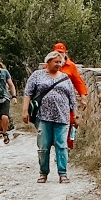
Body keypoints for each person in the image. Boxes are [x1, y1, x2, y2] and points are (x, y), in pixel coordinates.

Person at [25, 51, 79, 184]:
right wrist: (24, 111)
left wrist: (76, 115)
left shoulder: (66, 78)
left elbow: (72, 99)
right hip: (43, 117)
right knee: (43, 146)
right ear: (48, 62)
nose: (59, 64)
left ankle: (63, 174)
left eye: (60, 62)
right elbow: (28, 93)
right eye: (56, 62)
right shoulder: (37, 75)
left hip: (62, 117)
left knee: (62, 146)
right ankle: (43, 173)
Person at [51, 41, 87, 144]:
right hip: (53, 102)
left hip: (68, 102)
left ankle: (66, 146)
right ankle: (57, 145)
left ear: (65, 53)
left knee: (71, 122)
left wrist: (83, 97)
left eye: (62, 52)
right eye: (57, 52)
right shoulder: (50, 65)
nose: (60, 55)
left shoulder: (71, 66)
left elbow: (78, 82)